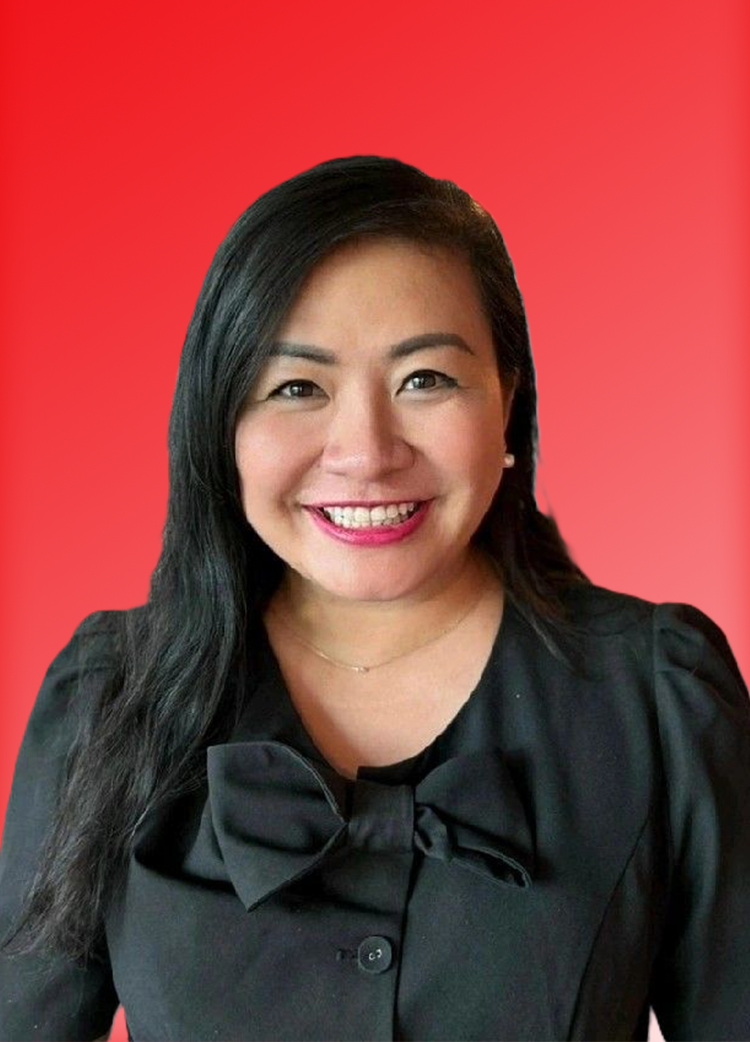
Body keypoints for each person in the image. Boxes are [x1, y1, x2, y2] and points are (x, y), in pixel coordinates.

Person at [0, 154, 748, 1042]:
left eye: (425, 379)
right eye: (297, 387)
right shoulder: (108, 699)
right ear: (220, 423)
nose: (366, 452)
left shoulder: (660, 698)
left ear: (507, 398)